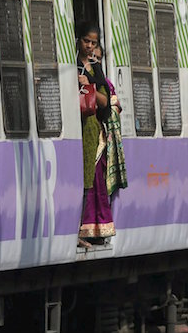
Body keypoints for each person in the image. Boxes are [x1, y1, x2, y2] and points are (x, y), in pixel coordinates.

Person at [77, 23, 126, 246]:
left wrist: (90, 88)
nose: (89, 46)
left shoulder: (96, 70)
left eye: (93, 43)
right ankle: (79, 229)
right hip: (77, 130)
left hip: (94, 132)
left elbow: (105, 103)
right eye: (86, 41)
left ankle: (93, 230)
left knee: (94, 180)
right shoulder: (73, 64)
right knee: (84, 180)